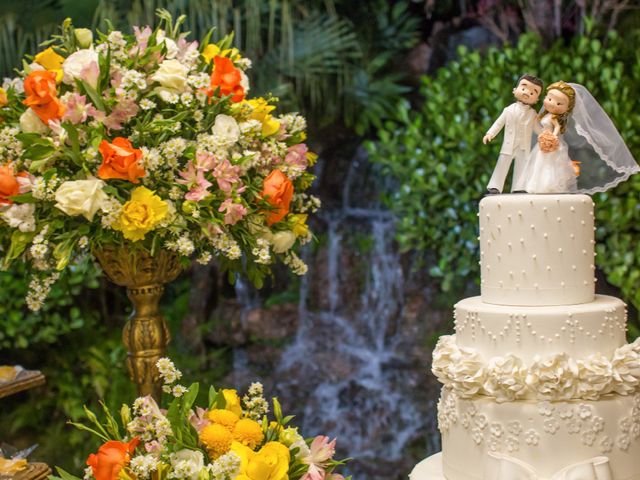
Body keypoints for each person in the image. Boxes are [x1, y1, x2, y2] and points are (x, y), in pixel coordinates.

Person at [483, 74, 543, 194]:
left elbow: (537, 128)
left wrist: (544, 136)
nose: (527, 93)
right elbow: (498, 123)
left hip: (523, 146)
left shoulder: (532, 114)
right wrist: (490, 134)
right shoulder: (508, 110)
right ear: (515, 90)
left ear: (536, 99)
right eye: (524, 88)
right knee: (502, 164)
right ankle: (495, 186)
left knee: (522, 166)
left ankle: (519, 187)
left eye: (532, 93)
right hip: (509, 143)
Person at [524, 81, 578, 194]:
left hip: (551, 142)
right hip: (543, 141)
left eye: (559, 104)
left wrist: (553, 136)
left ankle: (549, 185)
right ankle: (537, 185)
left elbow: (557, 127)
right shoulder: (545, 115)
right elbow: (537, 122)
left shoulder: (554, 118)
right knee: (539, 162)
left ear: (567, 108)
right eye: (549, 99)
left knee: (550, 164)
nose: (553, 104)